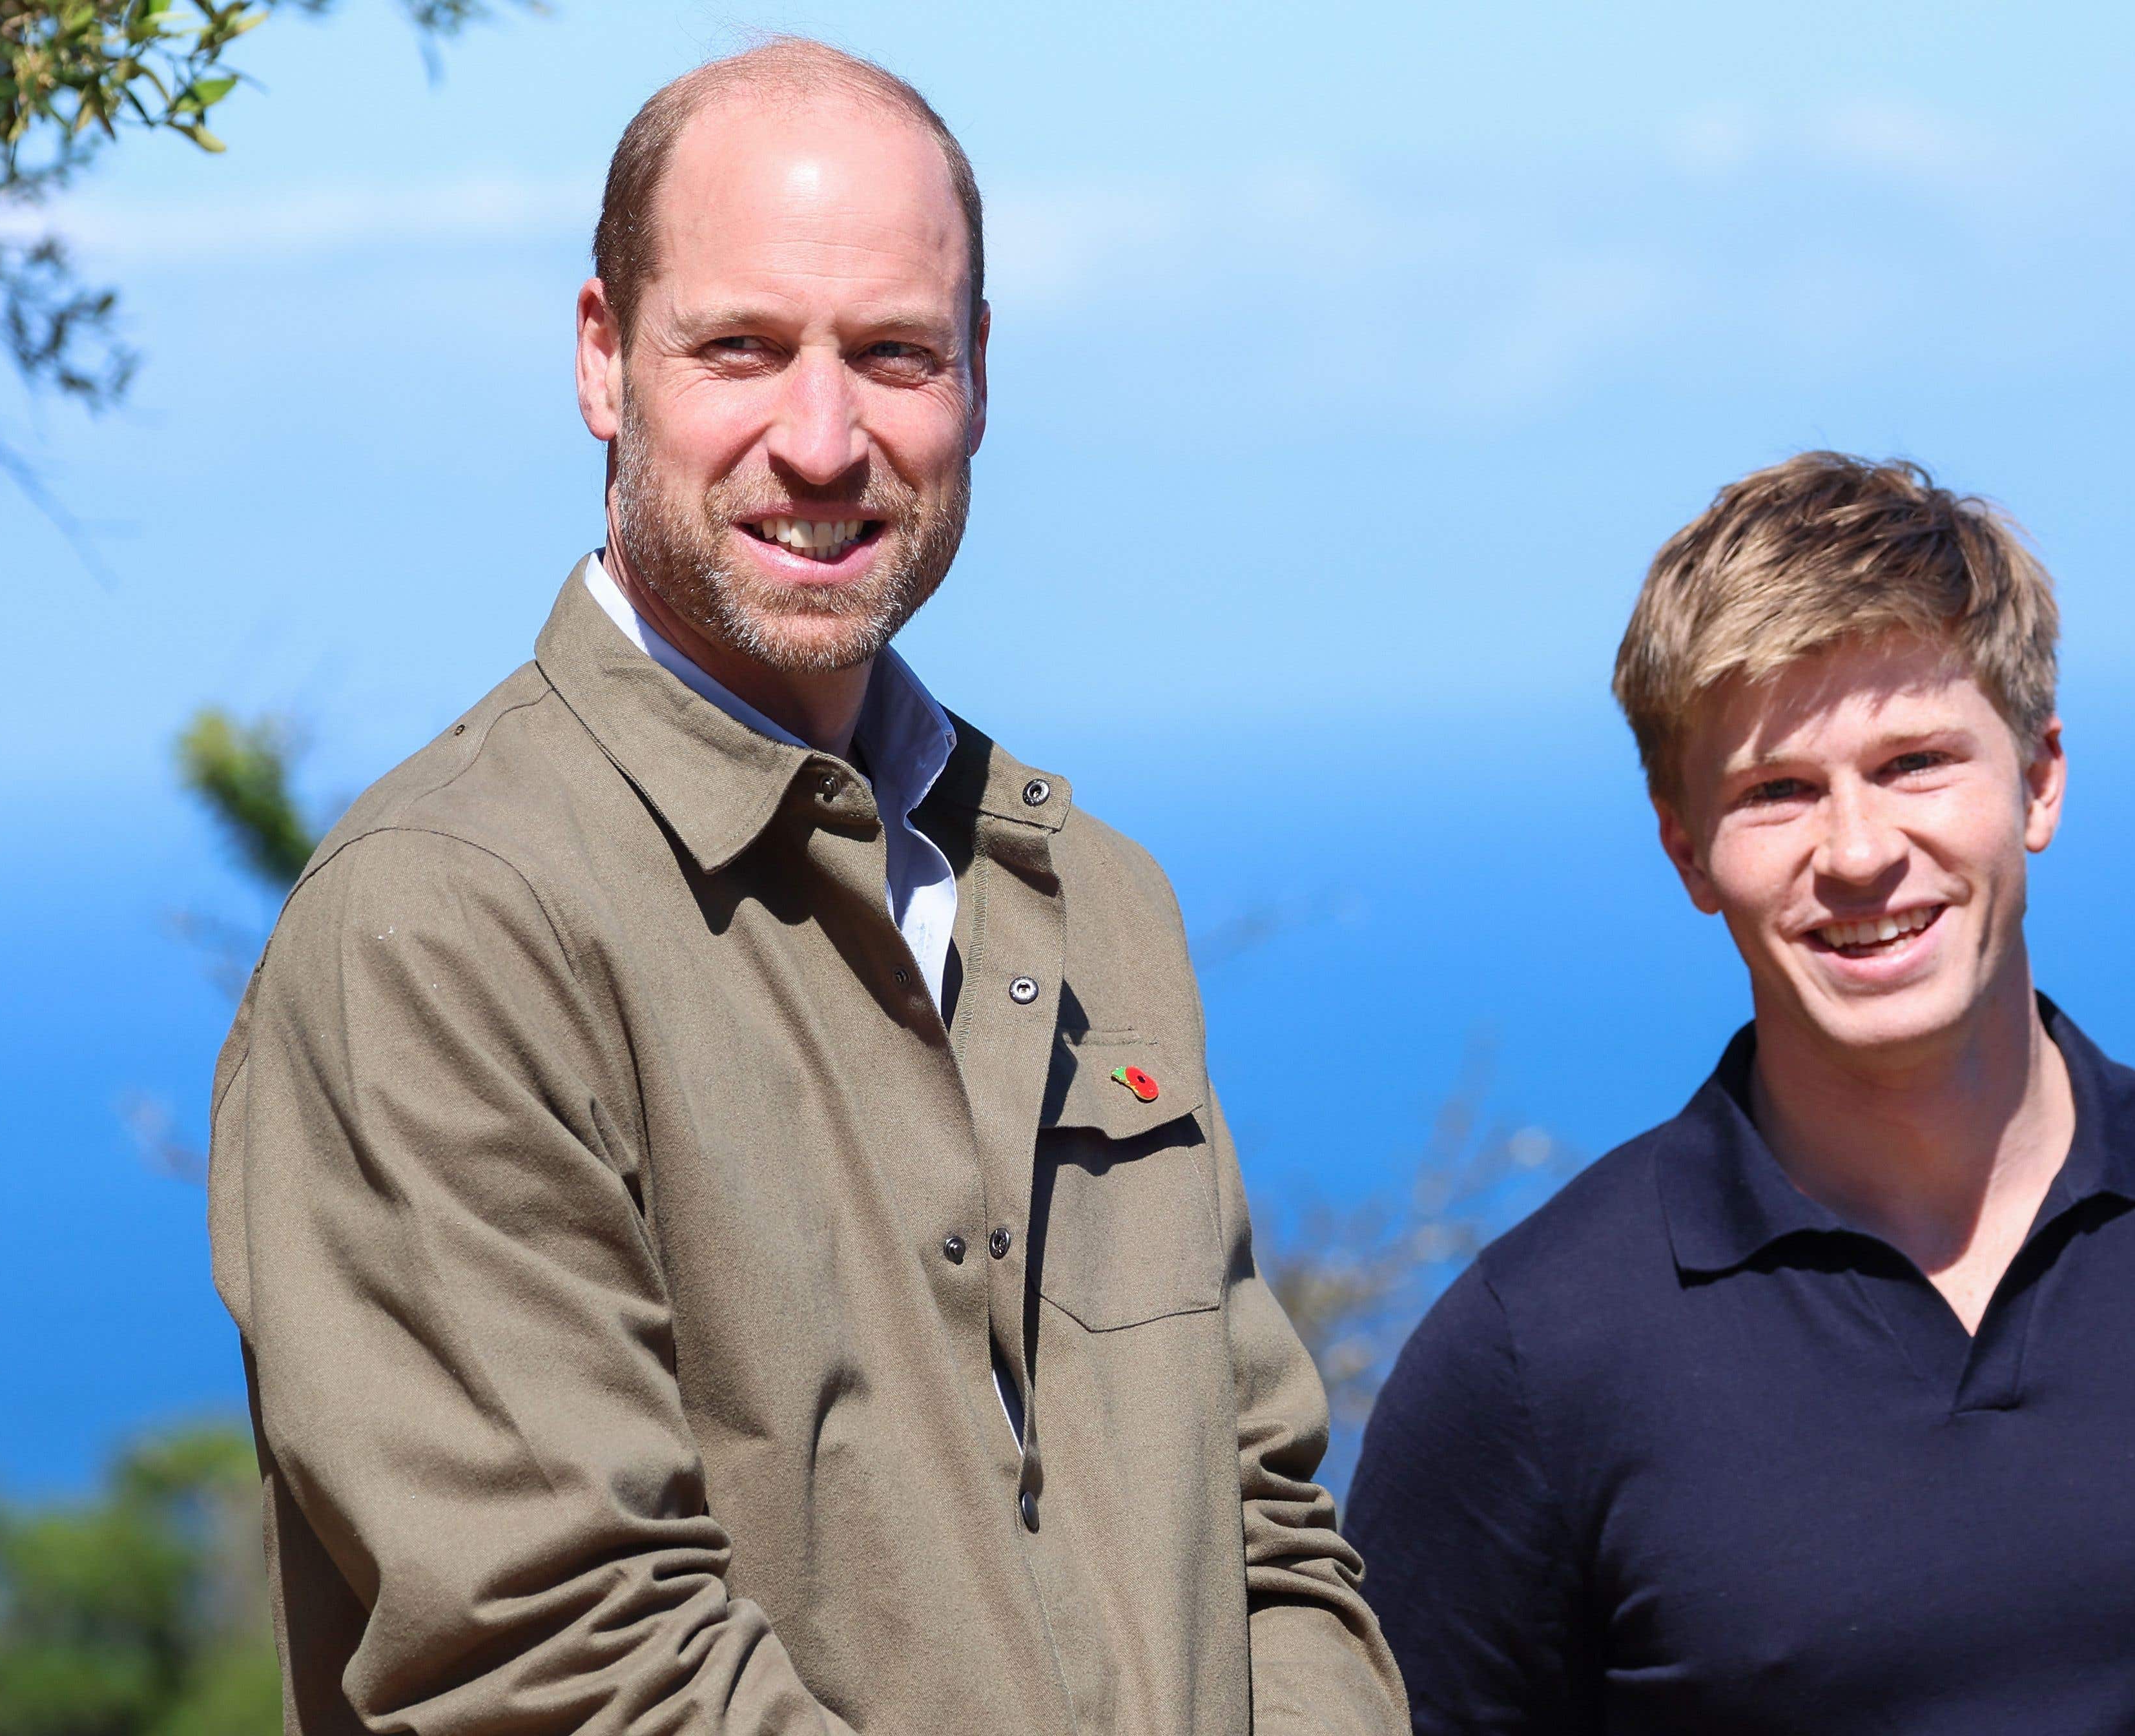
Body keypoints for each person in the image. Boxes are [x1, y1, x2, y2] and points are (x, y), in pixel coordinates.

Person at [207, 38, 1403, 1736]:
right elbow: (558, 1666)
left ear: (980, 379)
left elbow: (1267, 1535)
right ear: (605, 360)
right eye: (744, 349)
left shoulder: (1089, 900)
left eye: (896, 353)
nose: (825, 439)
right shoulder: (446, 926)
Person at [1347, 452, 2135, 1734]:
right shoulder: (1533, 1358)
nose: (1862, 853)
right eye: (1778, 791)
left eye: (1917, 762)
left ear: (2040, 780)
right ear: (1686, 849)